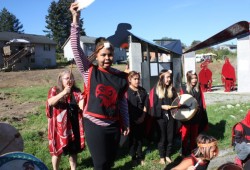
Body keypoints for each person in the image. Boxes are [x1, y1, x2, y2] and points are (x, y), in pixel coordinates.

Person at [70, 2, 130, 170]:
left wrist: (125, 122)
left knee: (110, 163)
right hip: (94, 125)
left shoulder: (120, 77)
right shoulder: (89, 71)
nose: (107, 58)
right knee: (100, 165)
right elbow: (75, 47)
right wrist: (75, 20)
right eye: (103, 55)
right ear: (96, 55)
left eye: (110, 55)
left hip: (114, 125)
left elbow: (122, 102)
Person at [46, 70, 85, 170]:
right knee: (57, 151)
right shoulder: (54, 90)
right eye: (67, 78)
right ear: (61, 80)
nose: (70, 80)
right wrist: (63, 92)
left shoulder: (76, 91)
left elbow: (81, 104)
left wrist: (83, 101)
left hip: (73, 125)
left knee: (73, 150)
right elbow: (50, 102)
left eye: (71, 78)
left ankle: (73, 168)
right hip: (59, 127)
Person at [149, 69, 178, 165]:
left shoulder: (172, 89)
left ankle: (168, 155)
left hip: (170, 117)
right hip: (160, 117)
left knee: (170, 137)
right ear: (161, 78)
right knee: (162, 137)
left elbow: (176, 102)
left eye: (170, 77)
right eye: (167, 77)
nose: (169, 79)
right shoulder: (155, 90)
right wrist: (162, 106)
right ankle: (162, 156)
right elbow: (153, 105)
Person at [180, 70, 208, 156]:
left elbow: (202, 101)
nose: (194, 80)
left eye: (195, 78)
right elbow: (181, 103)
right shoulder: (184, 89)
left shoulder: (198, 88)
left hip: (196, 116)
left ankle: (193, 151)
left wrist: (202, 111)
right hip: (187, 117)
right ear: (188, 79)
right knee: (185, 135)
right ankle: (184, 151)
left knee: (194, 135)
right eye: (192, 78)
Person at [126, 71, 148, 166]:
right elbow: (125, 107)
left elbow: (146, 104)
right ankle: (133, 157)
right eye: (135, 79)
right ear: (130, 80)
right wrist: (133, 119)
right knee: (132, 139)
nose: (137, 81)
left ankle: (140, 155)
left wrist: (143, 116)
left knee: (139, 138)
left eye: (138, 79)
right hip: (131, 119)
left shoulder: (142, 90)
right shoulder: (127, 92)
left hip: (141, 118)